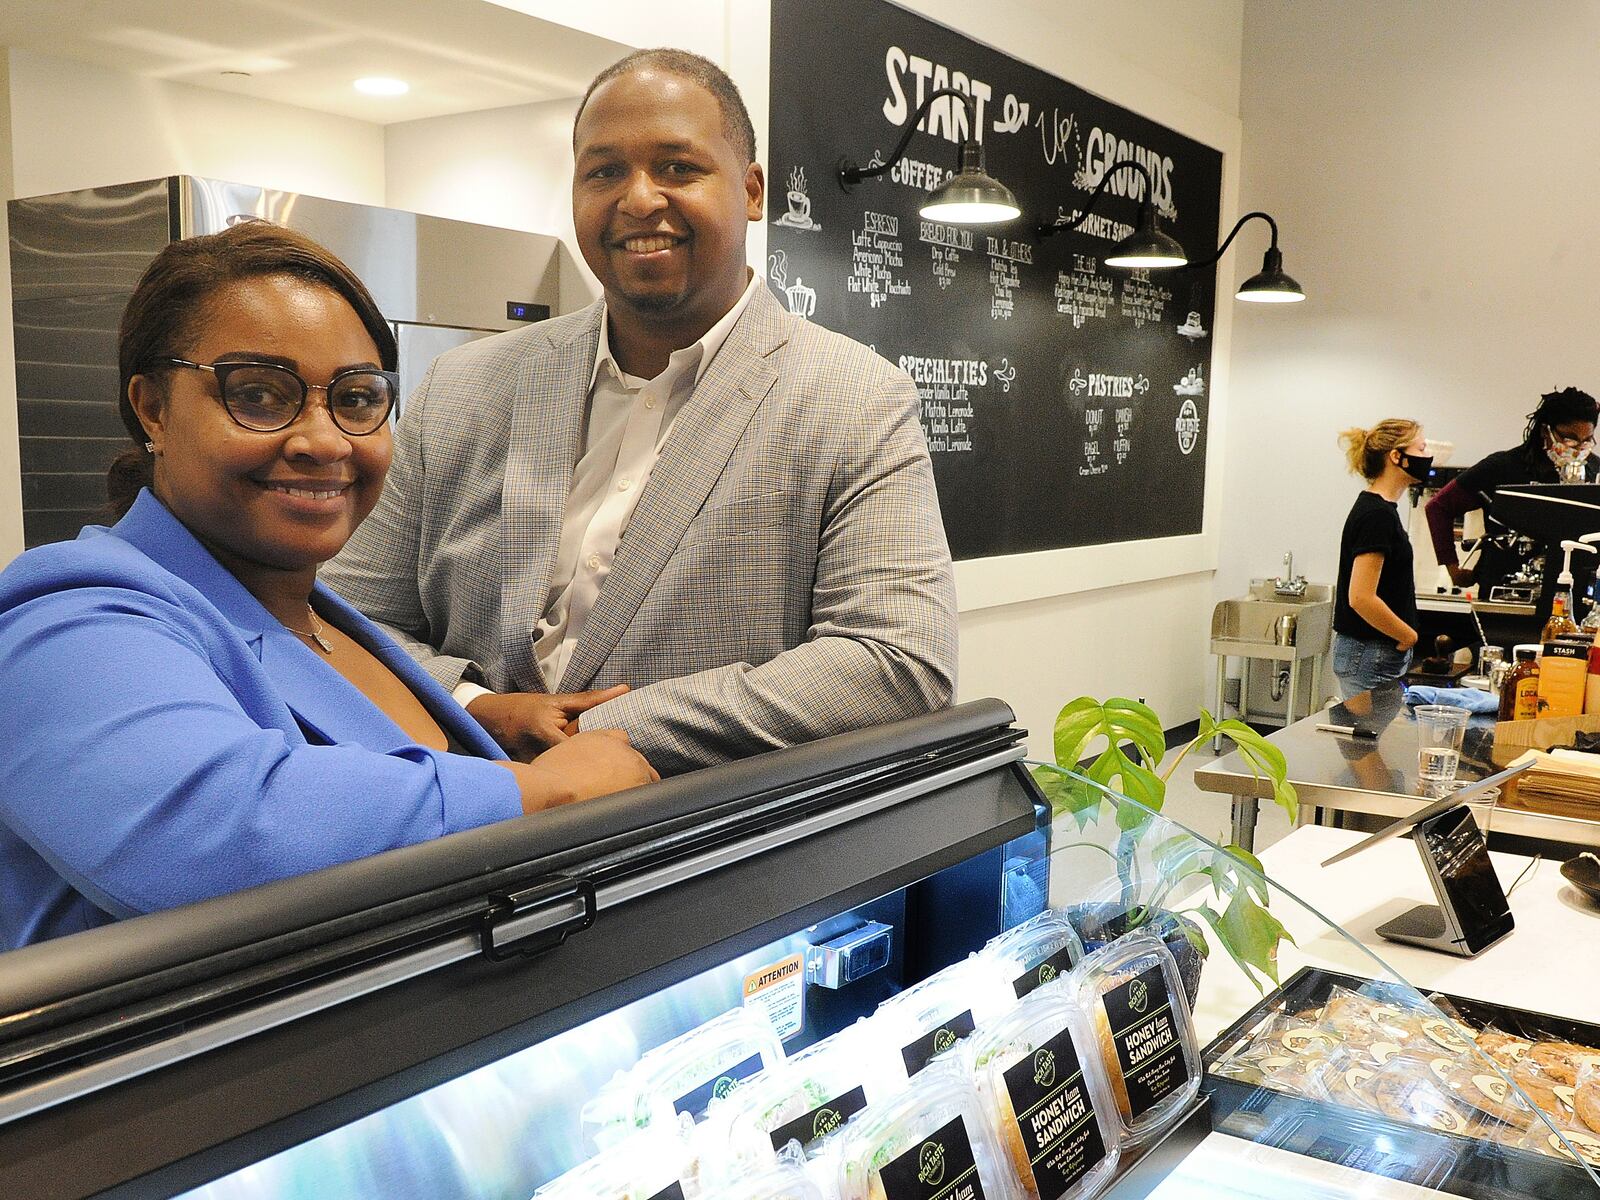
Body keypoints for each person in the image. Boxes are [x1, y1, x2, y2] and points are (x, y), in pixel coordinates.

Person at [0, 223, 657, 949]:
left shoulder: (330, 620)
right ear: (153, 406)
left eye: (354, 398)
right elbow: (209, 829)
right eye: (257, 393)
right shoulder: (69, 614)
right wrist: (544, 791)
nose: (322, 440)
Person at [323, 49, 958, 776]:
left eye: (678, 167)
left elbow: (896, 662)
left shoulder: (855, 399)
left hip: (703, 860)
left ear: (751, 191)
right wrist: (467, 704)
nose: (639, 199)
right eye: (604, 171)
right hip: (462, 837)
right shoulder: (460, 389)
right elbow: (341, 615)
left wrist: (600, 728)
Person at [1425, 387, 1599, 588]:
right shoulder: (1503, 466)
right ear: (1546, 431)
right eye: (1569, 438)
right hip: (1505, 587)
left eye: (1586, 441)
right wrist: (1453, 570)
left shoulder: (1595, 470)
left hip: (1574, 587)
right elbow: (1438, 507)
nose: (1578, 448)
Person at [1332, 420, 1431, 697]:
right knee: (1366, 739)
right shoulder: (1377, 515)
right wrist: (1407, 636)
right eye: (1421, 448)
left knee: (1372, 739)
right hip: (1369, 654)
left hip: (1372, 653)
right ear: (1396, 456)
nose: (1427, 457)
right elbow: (1361, 597)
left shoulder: (1382, 510)